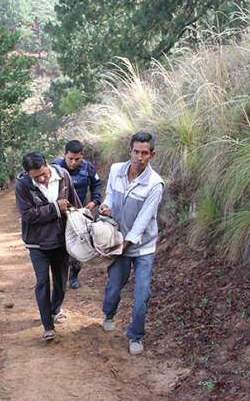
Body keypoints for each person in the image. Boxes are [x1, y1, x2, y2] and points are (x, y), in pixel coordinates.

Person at [99, 131, 164, 355]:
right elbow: (109, 195)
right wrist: (105, 207)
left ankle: (135, 335)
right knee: (115, 286)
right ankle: (109, 313)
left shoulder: (155, 184)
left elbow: (143, 220)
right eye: (136, 151)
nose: (139, 157)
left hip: (142, 247)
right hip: (118, 240)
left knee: (142, 293)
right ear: (130, 151)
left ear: (152, 155)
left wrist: (125, 245)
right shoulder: (117, 169)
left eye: (144, 153)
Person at [15, 152, 81, 341]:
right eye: (36, 177)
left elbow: (74, 202)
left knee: (61, 280)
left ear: (46, 164)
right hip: (37, 243)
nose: (42, 179)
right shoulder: (23, 186)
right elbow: (28, 215)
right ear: (27, 174)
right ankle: (48, 326)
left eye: (44, 174)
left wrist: (82, 221)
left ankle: (55, 309)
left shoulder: (63, 175)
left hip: (61, 240)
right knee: (43, 281)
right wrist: (54, 208)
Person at [52, 140, 102, 289]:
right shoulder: (54, 168)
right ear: (64, 155)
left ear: (82, 156)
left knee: (79, 246)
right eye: (70, 159)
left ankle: (74, 275)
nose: (74, 162)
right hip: (58, 215)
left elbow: (96, 184)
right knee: (59, 247)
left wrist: (94, 201)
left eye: (77, 159)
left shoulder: (88, 168)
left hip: (79, 215)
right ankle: (58, 278)